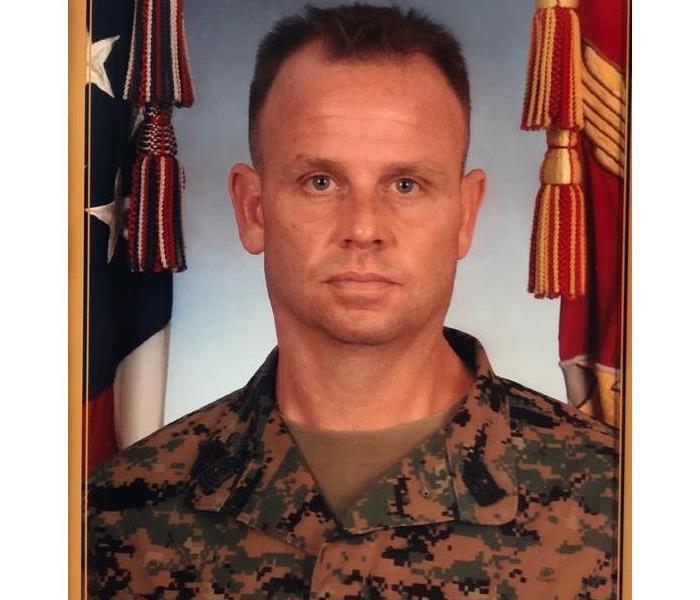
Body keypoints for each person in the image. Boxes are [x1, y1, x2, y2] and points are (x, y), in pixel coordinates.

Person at [88, 5, 618, 599]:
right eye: (320, 182)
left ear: (466, 215)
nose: (364, 227)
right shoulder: (113, 522)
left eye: (405, 184)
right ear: (253, 209)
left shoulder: (622, 513)